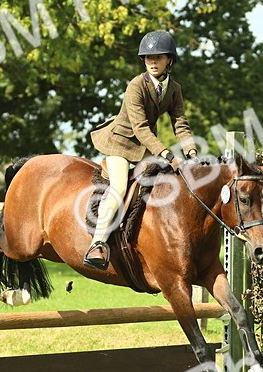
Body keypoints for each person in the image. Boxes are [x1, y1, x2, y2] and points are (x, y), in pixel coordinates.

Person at [84, 30, 197, 269]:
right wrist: (167, 153)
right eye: (148, 58)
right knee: (119, 186)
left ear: (170, 60)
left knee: (170, 177)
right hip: (121, 143)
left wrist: (191, 153)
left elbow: (180, 123)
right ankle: (98, 243)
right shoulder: (135, 86)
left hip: (144, 145)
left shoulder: (174, 88)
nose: (152, 62)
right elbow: (141, 128)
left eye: (158, 57)